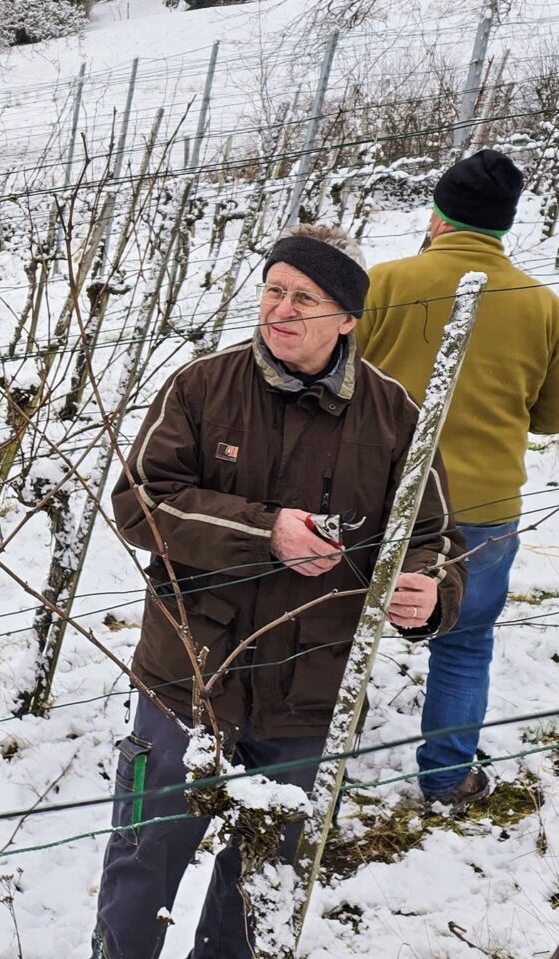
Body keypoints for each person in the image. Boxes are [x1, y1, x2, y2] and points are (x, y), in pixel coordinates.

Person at [91, 224, 466, 959]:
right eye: (273, 290)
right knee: (143, 863)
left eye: (305, 297)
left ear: (349, 318)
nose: (281, 311)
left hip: (313, 691)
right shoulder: (203, 385)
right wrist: (265, 531)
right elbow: (140, 502)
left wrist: (430, 588)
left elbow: (435, 532)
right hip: (188, 675)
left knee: (262, 884)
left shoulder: (392, 416)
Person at [357, 149, 559, 808]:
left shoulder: (384, 283)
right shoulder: (541, 305)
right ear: (504, 225)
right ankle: (448, 776)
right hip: (481, 505)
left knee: (330, 625)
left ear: (438, 214)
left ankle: (306, 756)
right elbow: (551, 416)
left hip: (375, 496)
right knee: (466, 642)